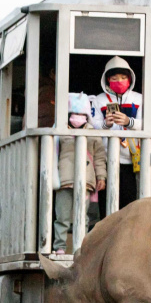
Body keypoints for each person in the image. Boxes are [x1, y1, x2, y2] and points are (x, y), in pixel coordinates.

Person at [53, 93, 106, 254]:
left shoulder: (93, 133)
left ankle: (81, 247)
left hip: (86, 181)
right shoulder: (60, 129)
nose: (77, 117)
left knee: (82, 217)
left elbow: (99, 156)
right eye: (74, 114)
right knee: (61, 216)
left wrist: (101, 176)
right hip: (64, 180)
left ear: (87, 116)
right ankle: (60, 247)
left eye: (82, 115)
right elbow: (52, 154)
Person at [91, 56, 143, 214]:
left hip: (131, 160)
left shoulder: (139, 98)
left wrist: (129, 122)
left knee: (129, 207)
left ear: (130, 78)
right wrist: (106, 124)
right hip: (106, 159)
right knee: (107, 207)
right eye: (114, 78)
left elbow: (147, 124)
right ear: (107, 80)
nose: (119, 81)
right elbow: (92, 126)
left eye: (123, 77)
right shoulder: (99, 100)